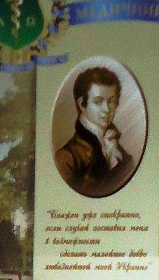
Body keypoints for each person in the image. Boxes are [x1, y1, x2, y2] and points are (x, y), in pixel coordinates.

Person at [54, 66, 134, 198]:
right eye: (98, 102)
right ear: (82, 104)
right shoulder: (66, 157)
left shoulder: (114, 145)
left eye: (111, 101)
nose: (107, 109)